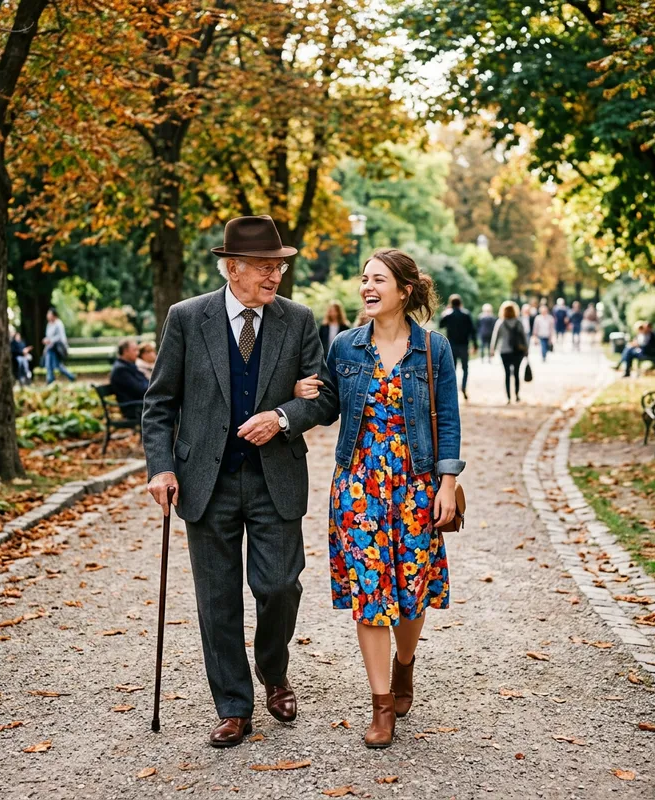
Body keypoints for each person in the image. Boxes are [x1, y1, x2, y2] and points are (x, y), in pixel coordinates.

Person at [142, 215, 336, 748]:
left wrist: (283, 415)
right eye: (264, 267)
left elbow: (323, 397)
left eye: (279, 266)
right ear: (232, 268)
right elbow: (159, 403)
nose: (275, 276)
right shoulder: (187, 318)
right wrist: (161, 467)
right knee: (217, 600)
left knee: (279, 587)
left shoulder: (297, 321)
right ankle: (233, 706)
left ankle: (273, 670)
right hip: (207, 483)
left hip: (276, 479)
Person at [294, 248, 464, 748]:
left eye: (379, 280)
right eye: (363, 279)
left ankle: (404, 663)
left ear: (405, 291)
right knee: (372, 595)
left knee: (411, 595)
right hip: (359, 486)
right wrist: (305, 391)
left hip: (415, 486)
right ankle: (381, 705)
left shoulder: (433, 350)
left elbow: (448, 420)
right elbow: (329, 407)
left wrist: (447, 483)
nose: (367, 287)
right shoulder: (345, 347)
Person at [438, 294, 477, 401]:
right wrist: (475, 345)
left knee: (452, 369)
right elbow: (472, 331)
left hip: (451, 346)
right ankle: (464, 387)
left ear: (451, 303)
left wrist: (445, 312)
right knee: (465, 368)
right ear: (460, 303)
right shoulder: (466, 314)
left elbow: (440, 325)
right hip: (464, 345)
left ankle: (453, 390)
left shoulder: (448, 315)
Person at [490, 301, 528, 404]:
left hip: (504, 351)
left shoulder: (501, 322)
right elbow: (524, 337)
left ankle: (508, 397)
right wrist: (526, 349)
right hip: (517, 351)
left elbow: (495, 337)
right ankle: (517, 395)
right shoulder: (518, 322)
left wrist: (492, 350)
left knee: (507, 374)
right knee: (516, 373)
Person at [110, 339, 150, 419]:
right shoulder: (121, 370)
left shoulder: (127, 366)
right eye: (135, 350)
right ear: (125, 351)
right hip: (134, 408)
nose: (137, 353)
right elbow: (140, 390)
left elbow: (144, 384)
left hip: (140, 405)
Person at [42, 308, 75, 384]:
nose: (47, 315)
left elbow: (61, 337)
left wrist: (51, 340)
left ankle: (70, 376)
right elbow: (48, 336)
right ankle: (50, 380)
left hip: (56, 348)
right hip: (49, 348)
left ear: (54, 315)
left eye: (49, 314)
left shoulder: (58, 323)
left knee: (56, 365)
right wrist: (46, 342)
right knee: (49, 364)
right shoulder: (49, 324)